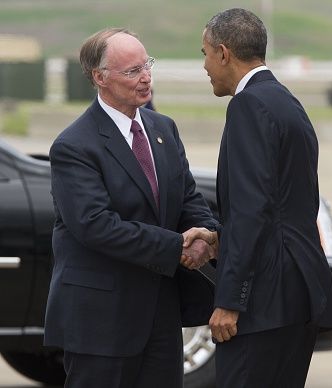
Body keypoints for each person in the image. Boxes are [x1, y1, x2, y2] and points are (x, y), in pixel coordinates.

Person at [44, 27, 219, 388]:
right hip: (100, 322)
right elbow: (96, 225)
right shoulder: (74, 146)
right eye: (132, 71)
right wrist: (176, 247)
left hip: (160, 317)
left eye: (147, 65)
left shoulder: (163, 129)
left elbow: (187, 197)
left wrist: (205, 236)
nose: (145, 77)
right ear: (100, 77)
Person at [197, 8, 332, 387]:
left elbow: (251, 210)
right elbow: (288, 203)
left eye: (205, 54)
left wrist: (230, 299)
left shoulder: (248, 106)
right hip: (297, 293)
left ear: (224, 53)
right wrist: (221, 240)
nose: (205, 66)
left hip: (264, 300)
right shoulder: (285, 102)